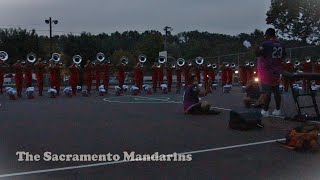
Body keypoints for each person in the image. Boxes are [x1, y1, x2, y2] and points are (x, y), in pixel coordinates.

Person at [256, 28, 286, 117]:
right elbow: (283, 55)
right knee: (276, 91)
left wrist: (256, 48)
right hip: (277, 70)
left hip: (267, 70)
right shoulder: (281, 44)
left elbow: (258, 54)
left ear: (268, 35)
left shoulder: (266, 43)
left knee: (267, 91)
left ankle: (265, 110)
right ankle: (277, 109)